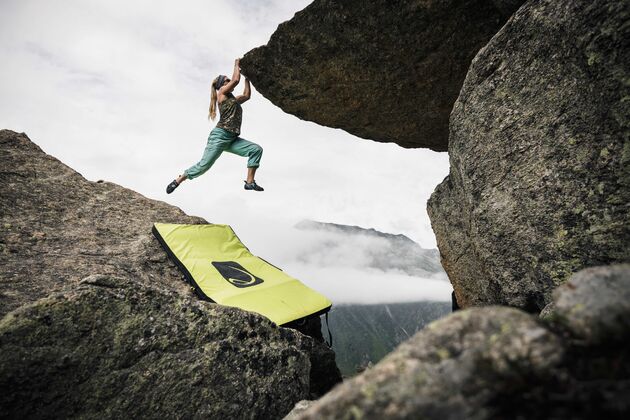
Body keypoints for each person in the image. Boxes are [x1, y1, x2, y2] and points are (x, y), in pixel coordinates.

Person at [166, 58, 264, 194]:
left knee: (256, 150)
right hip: (220, 136)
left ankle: (249, 182)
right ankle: (179, 179)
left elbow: (247, 95)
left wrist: (248, 78)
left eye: (229, 80)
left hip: (232, 139)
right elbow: (236, 80)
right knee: (204, 166)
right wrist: (237, 65)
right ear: (221, 85)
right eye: (226, 80)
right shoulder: (222, 93)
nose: (230, 81)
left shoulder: (234, 100)